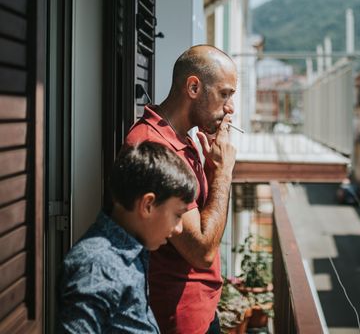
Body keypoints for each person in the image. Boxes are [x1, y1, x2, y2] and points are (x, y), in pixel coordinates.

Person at [124, 45, 238, 334]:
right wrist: (224, 174)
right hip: (180, 319)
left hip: (201, 308)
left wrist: (213, 169)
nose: (230, 108)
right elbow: (200, 251)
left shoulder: (180, 139)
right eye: (225, 94)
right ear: (193, 86)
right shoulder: (153, 146)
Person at [57, 141, 197, 333]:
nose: (179, 228)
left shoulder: (131, 251)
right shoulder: (97, 266)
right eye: (178, 215)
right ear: (147, 205)